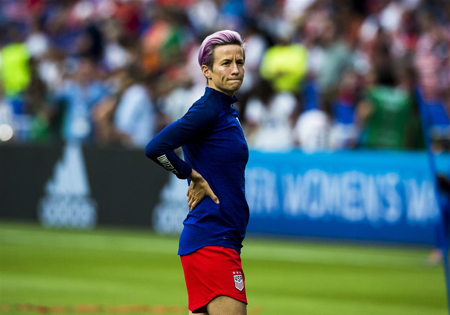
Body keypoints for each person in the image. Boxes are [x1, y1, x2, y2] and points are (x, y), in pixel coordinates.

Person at [145, 30, 249, 315]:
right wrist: (191, 174)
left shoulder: (225, 111)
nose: (236, 69)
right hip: (213, 240)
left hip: (215, 238)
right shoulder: (207, 110)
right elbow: (156, 147)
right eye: (226, 63)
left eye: (239, 62)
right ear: (207, 70)